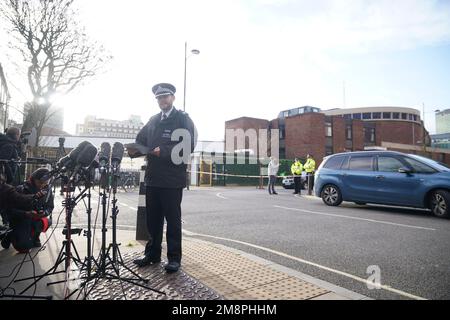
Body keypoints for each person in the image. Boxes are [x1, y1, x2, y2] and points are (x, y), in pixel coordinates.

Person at [133, 83, 197, 273]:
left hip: (171, 179)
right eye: (159, 98)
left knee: (173, 220)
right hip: (153, 178)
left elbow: (189, 144)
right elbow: (140, 139)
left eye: (165, 97)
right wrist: (136, 148)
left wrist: (165, 151)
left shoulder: (183, 119)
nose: (162, 100)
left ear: (173, 98)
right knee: (153, 220)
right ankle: (152, 254)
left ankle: (174, 258)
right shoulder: (153, 120)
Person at [1, 168, 53, 252]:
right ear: (33, 179)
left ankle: (34, 236)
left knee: (47, 222)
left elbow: (50, 207)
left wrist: (44, 213)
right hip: (21, 220)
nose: (42, 185)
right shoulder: (20, 189)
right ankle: (10, 234)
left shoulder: (48, 191)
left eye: (45, 183)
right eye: (40, 182)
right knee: (24, 248)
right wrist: (26, 213)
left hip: (36, 218)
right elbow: (9, 211)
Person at [0, 127, 21, 228]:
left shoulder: (5, 142)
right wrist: (10, 175)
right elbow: (3, 160)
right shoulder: (9, 145)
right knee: (5, 200)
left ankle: (6, 221)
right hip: (5, 179)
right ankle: (6, 222)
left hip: (5, 178)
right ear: (16, 135)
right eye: (19, 134)